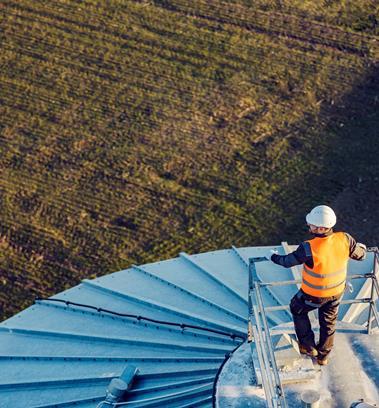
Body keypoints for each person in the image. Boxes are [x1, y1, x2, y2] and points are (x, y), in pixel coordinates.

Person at [268, 205, 366, 365]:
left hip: (313, 295)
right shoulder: (345, 239)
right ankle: (323, 356)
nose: (309, 226)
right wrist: (361, 247)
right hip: (336, 292)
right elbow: (361, 255)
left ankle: (307, 346)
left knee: (296, 309)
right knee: (328, 322)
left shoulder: (308, 248)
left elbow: (286, 262)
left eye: (311, 225)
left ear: (320, 228)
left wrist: (272, 256)